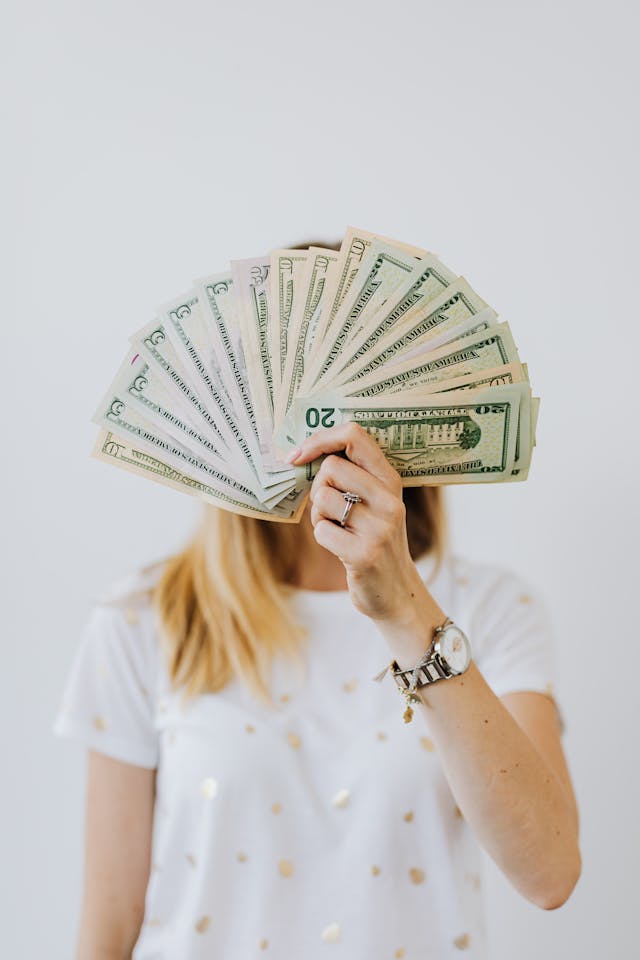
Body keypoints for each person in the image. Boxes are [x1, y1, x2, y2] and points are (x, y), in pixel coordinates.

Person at [53, 350, 580, 960]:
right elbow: (110, 923)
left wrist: (406, 610)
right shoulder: (145, 615)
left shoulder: (490, 606)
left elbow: (551, 872)